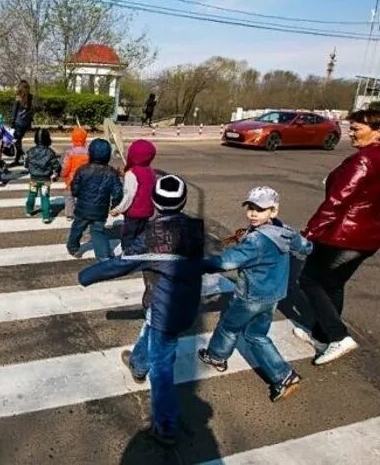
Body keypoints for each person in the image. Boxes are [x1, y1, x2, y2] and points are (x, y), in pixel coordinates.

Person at [78, 174, 204, 446]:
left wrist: (86, 276)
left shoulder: (152, 238)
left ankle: (166, 425)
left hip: (164, 308)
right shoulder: (195, 229)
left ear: (155, 202)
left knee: (162, 365)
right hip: (187, 302)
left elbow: (120, 263)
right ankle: (137, 362)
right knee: (150, 331)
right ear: (183, 201)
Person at [198, 186, 313, 402]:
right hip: (274, 295)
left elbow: (227, 262)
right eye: (250, 207)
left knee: (229, 327)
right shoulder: (285, 231)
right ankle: (284, 376)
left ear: (273, 211)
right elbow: (305, 247)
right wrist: (309, 246)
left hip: (251, 296)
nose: (253, 213)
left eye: (259, 209)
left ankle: (216, 356)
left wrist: (199, 265)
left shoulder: (257, 240)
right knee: (256, 335)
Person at [295, 108, 380, 365]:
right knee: (333, 284)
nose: (350, 133)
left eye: (357, 129)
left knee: (308, 279)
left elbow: (337, 201)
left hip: (343, 235)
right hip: (368, 237)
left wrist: (309, 233)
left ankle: (338, 335)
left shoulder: (364, 160)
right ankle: (322, 336)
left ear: (377, 132)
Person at [66, 139, 123, 260]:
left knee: (77, 228)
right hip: (100, 209)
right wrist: (115, 205)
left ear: (90, 153)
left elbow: (74, 187)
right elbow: (118, 192)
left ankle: (73, 247)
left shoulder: (83, 170)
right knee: (98, 231)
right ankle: (103, 256)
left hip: (82, 208)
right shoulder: (111, 172)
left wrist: (77, 194)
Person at [110, 139, 157, 250]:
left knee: (128, 236)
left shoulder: (132, 173)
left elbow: (129, 196)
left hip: (133, 213)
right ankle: (140, 253)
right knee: (141, 235)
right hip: (147, 211)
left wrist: (118, 209)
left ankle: (127, 256)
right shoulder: (150, 171)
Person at [24, 128, 61, 223]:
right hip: (45, 179)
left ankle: (29, 210)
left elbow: (26, 164)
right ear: (48, 139)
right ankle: (46, 216)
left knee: (32, 194)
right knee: (45, 197)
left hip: (34, 178)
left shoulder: (30, 151)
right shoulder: (50, 152)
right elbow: (56, 165)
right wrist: (56, 173)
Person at [60, 127, 90, 220]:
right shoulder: (88, 152)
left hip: (72, 179)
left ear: (73, 138)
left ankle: (70, 214)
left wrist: (63, 174)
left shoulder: (70, 152)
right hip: (85, 179)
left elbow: (66, 167)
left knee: (69, 196)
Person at [10, 79, 34, 166]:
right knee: (19, 140)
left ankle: (23, 155)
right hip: (26, 122)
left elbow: (14, 110)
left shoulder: (18, 97)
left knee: (16, 140)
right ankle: (17, 158)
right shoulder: (30, 97)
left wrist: (12, 122)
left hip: (18, 122)